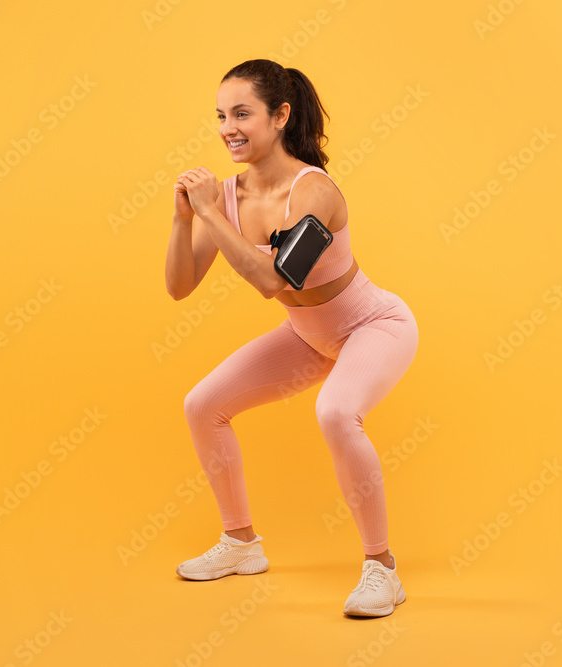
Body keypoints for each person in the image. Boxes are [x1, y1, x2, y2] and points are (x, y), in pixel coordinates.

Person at [164, 59, 418, 617]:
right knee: (202, 404)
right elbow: (179, 287)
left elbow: (272, 281)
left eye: (242, 114)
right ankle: (240, 544)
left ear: (280, 116)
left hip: (373, 326)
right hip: (308, 334)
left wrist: (210, 210)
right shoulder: (228, 196)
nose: (228, 127)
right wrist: (187, 220)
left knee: (335, 412)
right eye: (221, 116)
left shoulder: (314, 192)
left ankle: (383, 570)